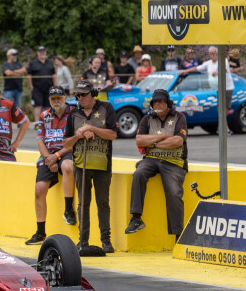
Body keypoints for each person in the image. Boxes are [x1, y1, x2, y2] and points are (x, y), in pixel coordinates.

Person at [125, 89, 188, 241]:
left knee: (174, 192)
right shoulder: (147, 119)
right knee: (139, 173)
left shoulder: (179, 117)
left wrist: (152, 142)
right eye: (155, 102)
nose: (157, 104)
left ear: (168, 103)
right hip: (151, 159)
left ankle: (178, 235)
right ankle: (136, 218)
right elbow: (139, 140)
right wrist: (163, 137)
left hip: (174, 161)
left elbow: (178, 141)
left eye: (161, 101)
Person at [63, 80, 117, 254]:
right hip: (81, 164)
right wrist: (79, 135)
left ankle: (106, 240)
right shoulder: (73, 114)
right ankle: (83, 240)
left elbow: (112, 134)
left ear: (93, 94)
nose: (80, 98)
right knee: (83, 203)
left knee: (103, 202)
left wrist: (92, 128)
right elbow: (66, 143)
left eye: (84, 94)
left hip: (102, 164)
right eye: (78, 95)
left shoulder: (106, 108)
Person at [26, 85, 76, 245]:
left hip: (66, 152)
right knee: (39, 190)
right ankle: (40, 232)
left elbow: (76, 141)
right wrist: (48, 158)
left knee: (67, 166)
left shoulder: (74, 113)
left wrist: (56, 156)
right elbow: (40, 141)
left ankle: (68, 210)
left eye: (59, 98)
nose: (56, 101)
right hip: (48, 155)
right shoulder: (44, 115)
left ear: (65, 98)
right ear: (49, 100)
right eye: (53, 98)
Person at [179, 46, 234, 115]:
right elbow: (197, 68)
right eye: (211, 53)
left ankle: (224, 121)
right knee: (219, 107)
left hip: (226, 88)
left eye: (215, 53)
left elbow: (224, 69)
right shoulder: (208, 63)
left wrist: (217, 72)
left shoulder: (223, 60)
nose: (213, 55)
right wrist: (186, 71)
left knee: (225, 107)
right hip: (216, 89)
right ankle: (221, 120)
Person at [28, 46, 57, 123]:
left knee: (47, 105)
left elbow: (54, 74)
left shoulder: (50, 62)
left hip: (48, 87)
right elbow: (29, 75)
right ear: (38, 53)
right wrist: (31, 86)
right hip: (37, 88)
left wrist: (55, 85)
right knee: (38, 105)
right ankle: (37, 122)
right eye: (40, 51)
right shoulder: (33, 63)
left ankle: (45, 121)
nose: (42, 53)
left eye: (43, 51)